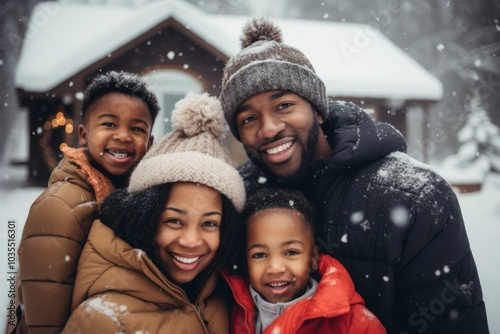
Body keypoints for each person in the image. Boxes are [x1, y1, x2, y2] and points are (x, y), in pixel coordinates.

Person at [219, 18, 489, 333]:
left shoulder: (415, 195)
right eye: (249, 118)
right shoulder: (237, 199)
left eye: (284, 105)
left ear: (318, 110)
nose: (268, 128)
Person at [63, 92, 245, 333]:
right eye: (174, 220)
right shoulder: (103, 320)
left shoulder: (226, 299)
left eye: (209, 224)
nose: (191, 241)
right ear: (144, 217)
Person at [13, 71, 160, 333]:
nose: (124, 136)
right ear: (83, 134)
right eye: (109, 124)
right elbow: (44, 314)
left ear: (149, 143)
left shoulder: (136, 199)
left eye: (137, 128)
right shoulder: (61, 206)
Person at [222, 186, 386, 334]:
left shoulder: (353, 322)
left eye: (291, 252)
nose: (275, 267)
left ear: (313, 258)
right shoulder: (229, 309)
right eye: (259, 255)